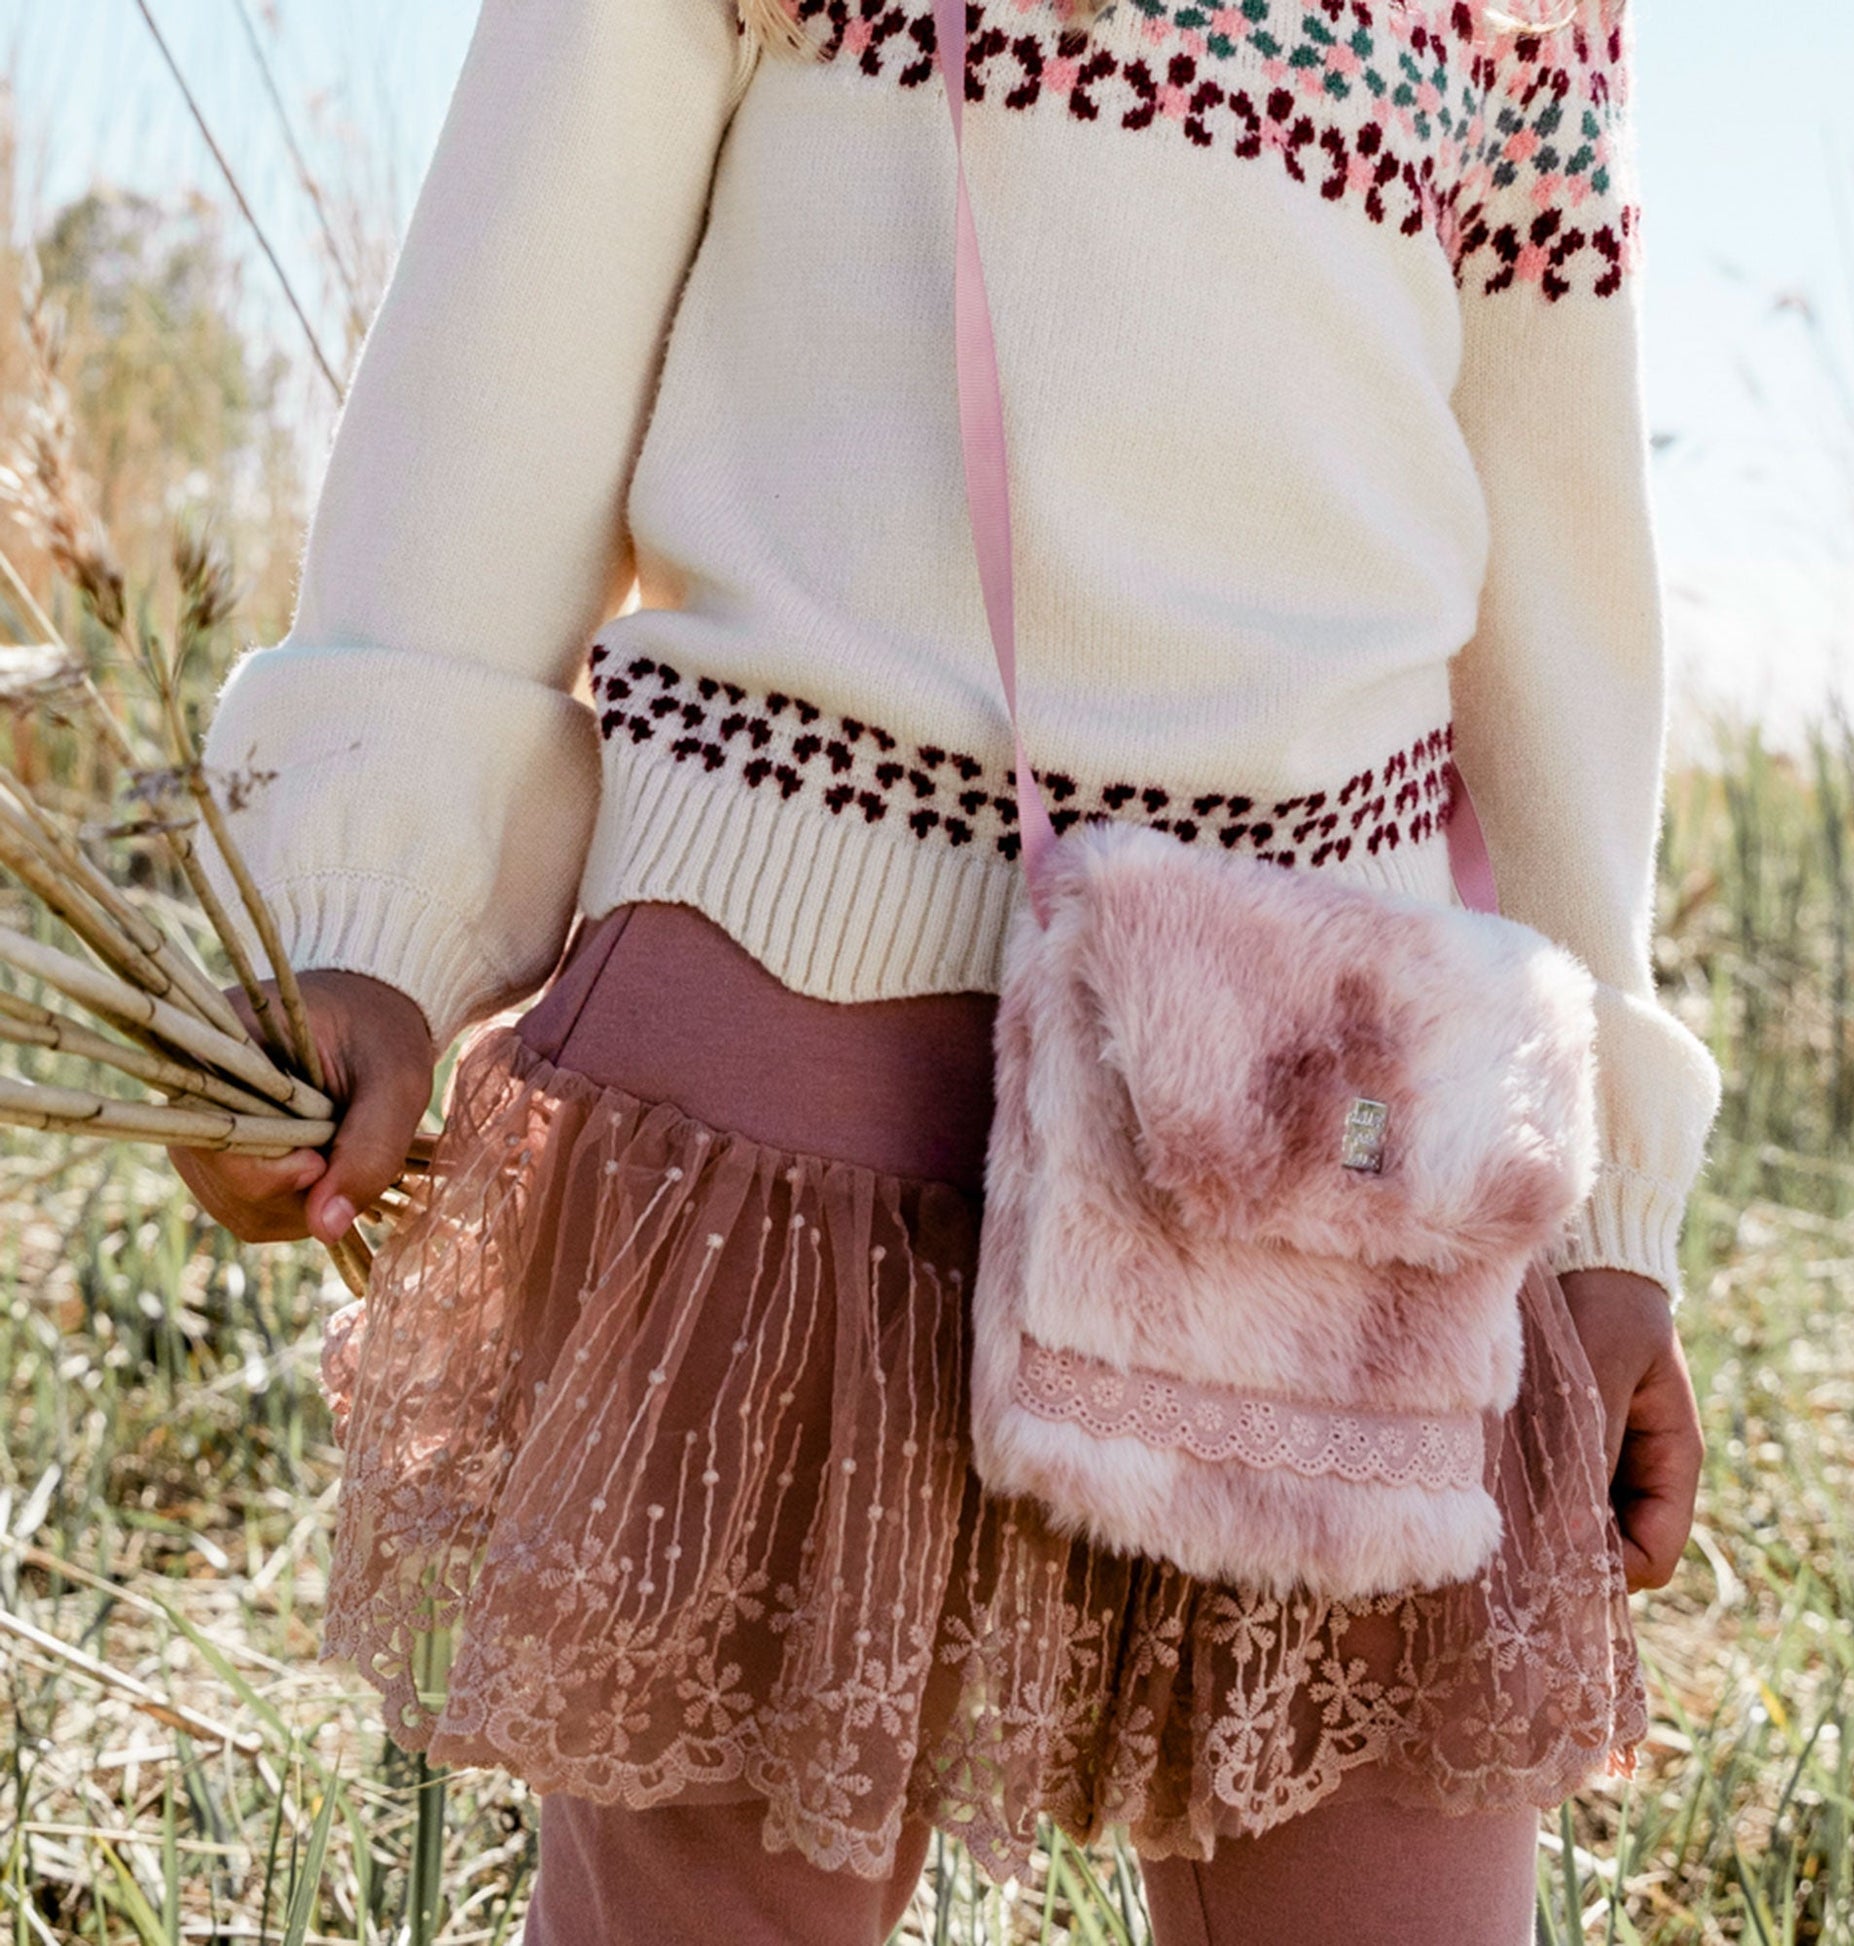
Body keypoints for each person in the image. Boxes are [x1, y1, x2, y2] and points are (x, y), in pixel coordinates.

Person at [167, 0, 1723, 1935]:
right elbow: (517, 325)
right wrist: (371, 917)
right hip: (771, 1059)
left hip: (1338, 1119)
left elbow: (1564, 572)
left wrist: (1604, 1203)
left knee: (1385, 1875)